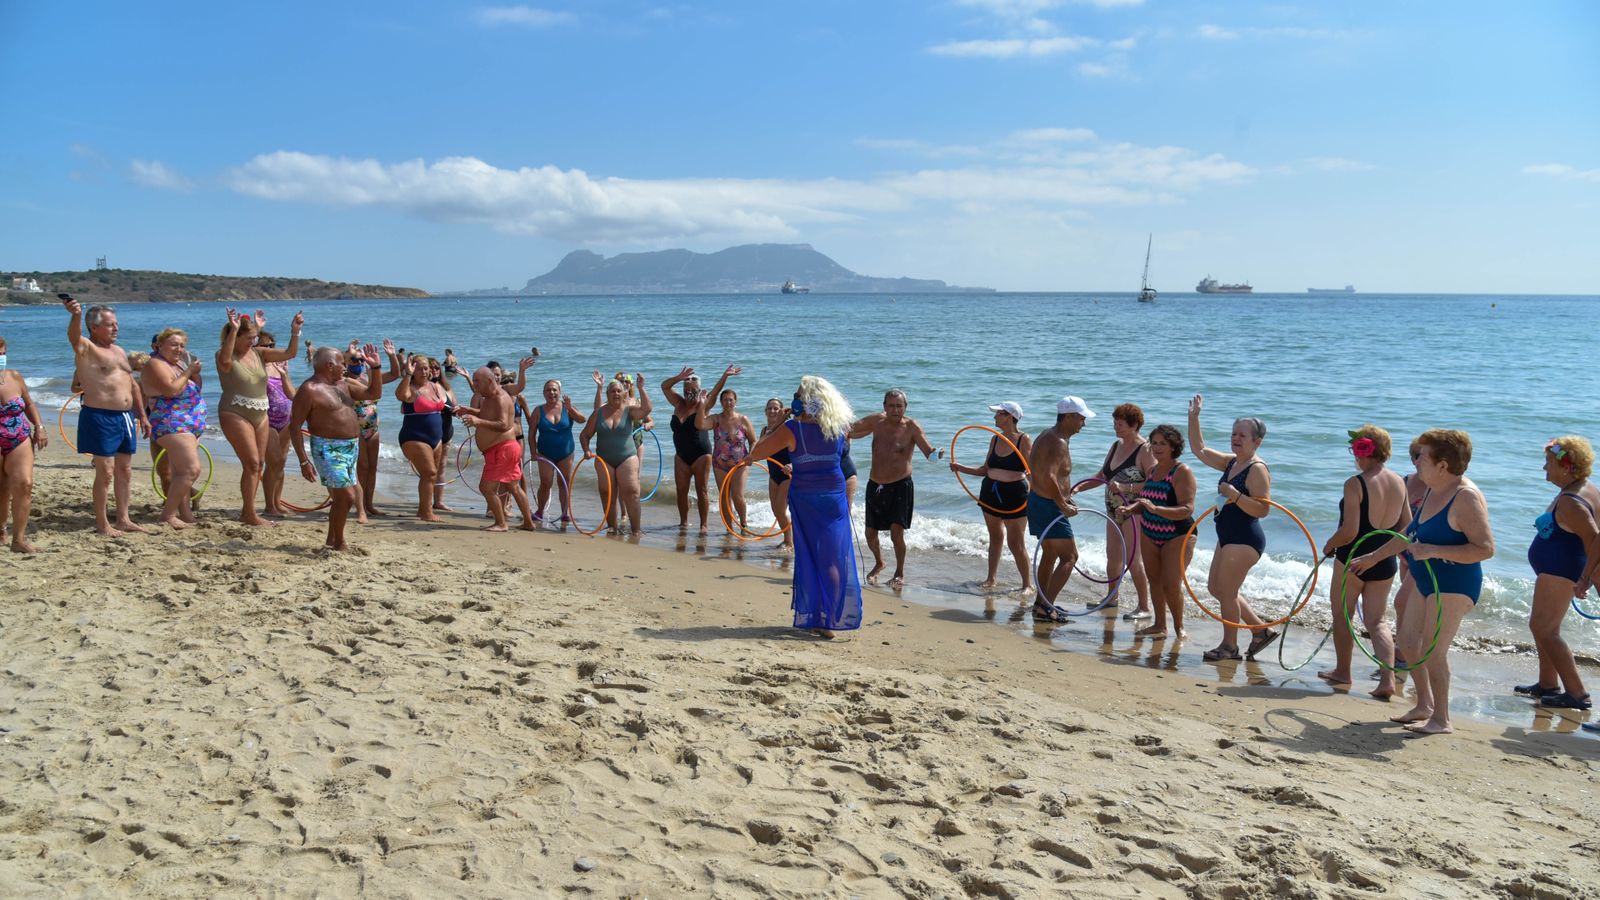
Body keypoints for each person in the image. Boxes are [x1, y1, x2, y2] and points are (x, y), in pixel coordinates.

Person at [1352, 429, 1494, 735]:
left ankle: (1442, 720)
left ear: (1443, 464)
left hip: (1455, 584)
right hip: (1425, 579)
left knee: (1433, 650)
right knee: (1407, 639)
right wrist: (1374, 557)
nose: (1416, 461)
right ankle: (1424, 705)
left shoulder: (1464, 496)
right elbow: (1409, 535)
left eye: (1423, 457)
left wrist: (1432, 550)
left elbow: (1485, 548)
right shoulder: (1432, 488)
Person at [746, 376, 861, 638]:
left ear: (807, 401)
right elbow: (841, 453)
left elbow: (757, 452)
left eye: (798, 396)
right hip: (834, 496)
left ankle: (817, 616)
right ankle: (830, 619)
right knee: (831, 557)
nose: (794, 400)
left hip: (806, 498)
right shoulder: (839, 427)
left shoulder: (791, 430)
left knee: (810, 555)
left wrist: (778, 424)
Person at [1319, 426, 1411, 699]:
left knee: (1342, 614)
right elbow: (1406, 529)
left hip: (1352, 559)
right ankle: (1387, 681)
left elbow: (1349, 530)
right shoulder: (1399, 482)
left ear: (1364, 450)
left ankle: (1343, 672)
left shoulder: (1355, 483)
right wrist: (1383, 554)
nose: (1354, 456)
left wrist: (1329, 544)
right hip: (1383, 560)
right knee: (1378, 621)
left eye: (1355, 449)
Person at [1188, 395, 1278, 662]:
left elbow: (1263, 509)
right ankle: (1260, 630)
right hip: (1226, 536)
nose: (1236, 438)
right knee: (1216, 589)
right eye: (1233, 434)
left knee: (1227, 592)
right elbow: (1200, 450)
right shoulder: (1231, 462)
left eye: (1242, 435)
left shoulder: (1257, 469)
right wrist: (1194, 418)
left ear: (1257, 442)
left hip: (1245, 538)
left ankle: (1229, 647)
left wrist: (1234, 494)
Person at [1517, 436, 1598, 711]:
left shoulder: (1572, 501)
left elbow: (1595, 539)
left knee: (1544, 628)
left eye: (1549, 463)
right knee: (1546, 627)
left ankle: (1577, 694)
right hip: (1555, 569)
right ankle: (1547, 684)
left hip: (1561, 570)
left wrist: (1586, 578)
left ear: (1567, 467)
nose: (1544, 468)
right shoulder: (1582, 489)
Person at [62, 296, 148, 536]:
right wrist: (76, 314)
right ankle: (102, 523)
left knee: (125, 470)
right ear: (94, 327)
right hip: (99, 416)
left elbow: (132, 385)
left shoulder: (119, 351)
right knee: (106, 471)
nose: (116, 328)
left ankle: (123, 518)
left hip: (126, 418)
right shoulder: (86, 348)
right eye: (111, 324)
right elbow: (73, 336)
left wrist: (142, 415)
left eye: (116, 324)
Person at [290, 343, 385, 551]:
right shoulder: (309, 390)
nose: (345, 367)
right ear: (329, 365)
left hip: (351, 446)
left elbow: (374, 392)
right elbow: (295, 426)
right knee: (347, 496)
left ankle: (331, 539)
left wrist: (376, 369)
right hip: (327, 448)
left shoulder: (344, 384)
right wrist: (303, 460)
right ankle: (340, 542)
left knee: (342, 497)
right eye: (342, 363)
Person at [216, 307, 303, 526]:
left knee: (260, 462)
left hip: (260, 413)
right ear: (234, 337)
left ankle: (250, 511)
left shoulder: (259, 353)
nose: (253, 343)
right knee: (252, 463)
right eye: (249, 338)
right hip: (235, 411)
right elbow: (226, 363)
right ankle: (249, 512)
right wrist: (235, 330)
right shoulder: (224, 354)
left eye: (255, 338)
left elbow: (290, 354)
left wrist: (295, 332)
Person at [849, 389, 940, 587]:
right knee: (870, 534)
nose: (895, 409)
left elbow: (929, 454)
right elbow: (849, 430)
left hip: (901, 486)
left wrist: (937, 454)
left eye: (899, 406)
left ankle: (899, 572)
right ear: (884, 407)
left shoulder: (912, 427)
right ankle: (880, 562)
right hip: (876, 485)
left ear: (905, 407)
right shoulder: (876, 421)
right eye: (891, 405)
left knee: (896, 532)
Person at [949, 401, 1033, 593]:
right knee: (995, 537)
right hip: (990, 492)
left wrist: (1036, 493)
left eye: (998, 414)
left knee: (1015, 542)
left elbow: (1031, 472)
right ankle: (991, 579)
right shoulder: (995, 439)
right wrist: (960, 468)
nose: (994, 417)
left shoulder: (1023, 439)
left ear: (1010, 417)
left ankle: (1027, 584)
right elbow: (984, 470)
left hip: (1015, 495)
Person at [1125, 424, 1196, 639]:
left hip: (1178, 534)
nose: (1157, 448)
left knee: (1171, 584)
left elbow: (1187, 509)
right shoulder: (1154, 470)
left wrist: (1156, 509)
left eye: (1162, 443)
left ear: (1174, 446)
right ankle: (1159, 625)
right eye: (1154, 443)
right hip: (1149, 531)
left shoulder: (1181, 471)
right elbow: (1147, 502)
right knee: (1154, 579)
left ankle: (1179, 627)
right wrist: (1131, 508)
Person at [1082, 403, 1153, 618]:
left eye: (1120, 423)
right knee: (1112, 556)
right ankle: (1112, 598)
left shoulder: (1145, 450)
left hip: (1135, 512)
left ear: (1134, 425)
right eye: (1114, 422)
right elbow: (1103, 475)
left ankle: (1144, 607)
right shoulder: (1116, 445)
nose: (1115, 426)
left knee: (1133, 559)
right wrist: (1076, 489)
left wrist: (1126, 488)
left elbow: (1155, 483)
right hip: (1113, 510)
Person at [1026, 396, 1093, 622]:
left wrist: (1065, 497)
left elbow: (1044, 474)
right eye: (1081, 418)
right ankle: (1046, 606)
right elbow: (1049, 476)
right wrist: (1062, 503)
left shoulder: (1049, 435)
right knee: (1070, 557)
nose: (1083, 423)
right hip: (1048, 506)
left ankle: (1040, 603)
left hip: (1039, 501)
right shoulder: (1057, 441)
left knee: (1051, 553)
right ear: (1068, 417)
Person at [455, 366, 536, 532]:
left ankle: (501, 523)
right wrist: (468, 410)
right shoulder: (489, 397)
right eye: (475, 381)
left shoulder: (500, 398)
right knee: (513, 487)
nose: (474, 385)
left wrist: (478, 422)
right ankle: (528, 522)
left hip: (503, 450)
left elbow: (504, 424)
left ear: (490, 381)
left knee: (486, 488)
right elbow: (487, 414)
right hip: (503, 449)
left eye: (477, 381)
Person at [140, 329, 207, 529]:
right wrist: (188, 371)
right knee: (190, 470)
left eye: (182, 345)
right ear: (159, 346)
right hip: (171, 422)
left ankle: (185, 515)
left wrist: (194, 372)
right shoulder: (155, 364)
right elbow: (171, 389)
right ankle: (168, 514)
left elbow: (197, 386)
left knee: (179, 472)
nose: (179, 349)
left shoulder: (178, 364)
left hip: (188, 423)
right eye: (173, 344)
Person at [581, 371, 653, 534]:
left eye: (619, 391)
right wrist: (586, 450)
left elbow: (647, 409)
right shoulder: (599, 412)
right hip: (603, 458)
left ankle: (636, 530)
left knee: (632, 492)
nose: (616, 393)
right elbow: (585, 434)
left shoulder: (630, 411)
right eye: (612, 391)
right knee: (607, 494)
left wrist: (641, 387)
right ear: (607, 394)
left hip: (627, 457)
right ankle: (612, 527)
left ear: (624, 393)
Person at [0, 335, 46, 552]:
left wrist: (39, 426)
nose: (0, 356)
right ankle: (1, 530)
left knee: (24, 484)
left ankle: (18, 539)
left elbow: (28, 403)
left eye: (2, 352)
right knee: (1, 487)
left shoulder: (14, 376)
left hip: (18, 436)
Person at [347, 340, 401, 520]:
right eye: (354, 361)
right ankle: (360, 506)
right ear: (346, 362)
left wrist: (391, 355)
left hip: (373, 426)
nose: (359, 364)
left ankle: (369, 504)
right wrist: (348, 353)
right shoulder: (344, 380)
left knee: (372, 467)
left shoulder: (369, 376)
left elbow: (395, 374)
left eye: (360, 361)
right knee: (361, 467)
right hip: (355, 428)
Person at [660, 367, 719, 532]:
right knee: (681, 491)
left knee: (702, 490)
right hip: (681, 455)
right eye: (687, 390)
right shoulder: (678, 403)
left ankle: (704, 525)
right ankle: (684, 523)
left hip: (701, 454)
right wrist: (679, 377)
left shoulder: (704, 405)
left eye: (693, 390)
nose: (689, 392)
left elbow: (716, 393)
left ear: (699, 390)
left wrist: (725, 376)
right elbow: (664, 387)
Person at [395, 354, 450, 522]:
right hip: (414, 437)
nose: (423, 371)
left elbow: (451, 402)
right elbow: (400, 395)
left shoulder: (436, 386)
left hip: (436, 438)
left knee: (430, 475)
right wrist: (407, 374)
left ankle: (423, 510)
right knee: (430, 473)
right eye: (419, 368)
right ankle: (426, 512)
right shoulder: (410, 388)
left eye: (426, 368)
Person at [701, 380, 758, 534]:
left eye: (731, 399)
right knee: (725, 498)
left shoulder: (743, 419)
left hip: (741, 463)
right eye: (725, 400)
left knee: (738, 496)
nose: (728, 402)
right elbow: (699, 425)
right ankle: (729, 529)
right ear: (721, 402)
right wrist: (702, 404)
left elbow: (753, 440)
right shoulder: (715, 419)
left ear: (735, 401)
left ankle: (743, 525)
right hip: (720, 464)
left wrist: (751, 455)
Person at [531, 377, 586, 524]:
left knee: (564, 483)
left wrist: (570, 408)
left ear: (559, 392)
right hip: (544, 453)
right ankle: (540, 511)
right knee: (546, 483)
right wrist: (533, 453)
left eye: (554, 390)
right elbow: (531, 434)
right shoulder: (538, 410)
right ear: (543, 393)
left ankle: (564, 513)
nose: (551, 392)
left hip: (565, 453)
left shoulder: (568, 408)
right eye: (548, 390)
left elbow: (582, 420)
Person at [259, 330, 297, 517]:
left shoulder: (280, 364)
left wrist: (284, 373)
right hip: (266, 420)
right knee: (273, 462)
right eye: (263, 345)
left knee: (281, 462)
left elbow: (291, 393)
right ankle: (269, 505)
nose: (268, 349)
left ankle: (277, 502)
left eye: (271, 346)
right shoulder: (255, 365)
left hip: (286, 419)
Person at [759, 398, 795, 551]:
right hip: (773, 474)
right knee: (776, 510)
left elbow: (798, 450)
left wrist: (793, 465)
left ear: (781, 411)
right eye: (770, 408)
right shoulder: (764, 430)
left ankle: (789, 542)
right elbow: (760, 450)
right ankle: (788, 540)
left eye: (776, 408)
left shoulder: (788, 428)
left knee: (780, 509)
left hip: (787, 474)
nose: (772, 411)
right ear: (765, 411)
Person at [430, 358, 459, 513]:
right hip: (429, 433)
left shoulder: (447, 388)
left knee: (441, 467)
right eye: (431, 367)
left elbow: (456, 407)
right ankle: (426, 500)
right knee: (429, 469)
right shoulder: (423, 387)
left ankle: (438, 501)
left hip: (446, 431)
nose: (435, 370)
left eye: (436, 367)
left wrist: (459, 411)